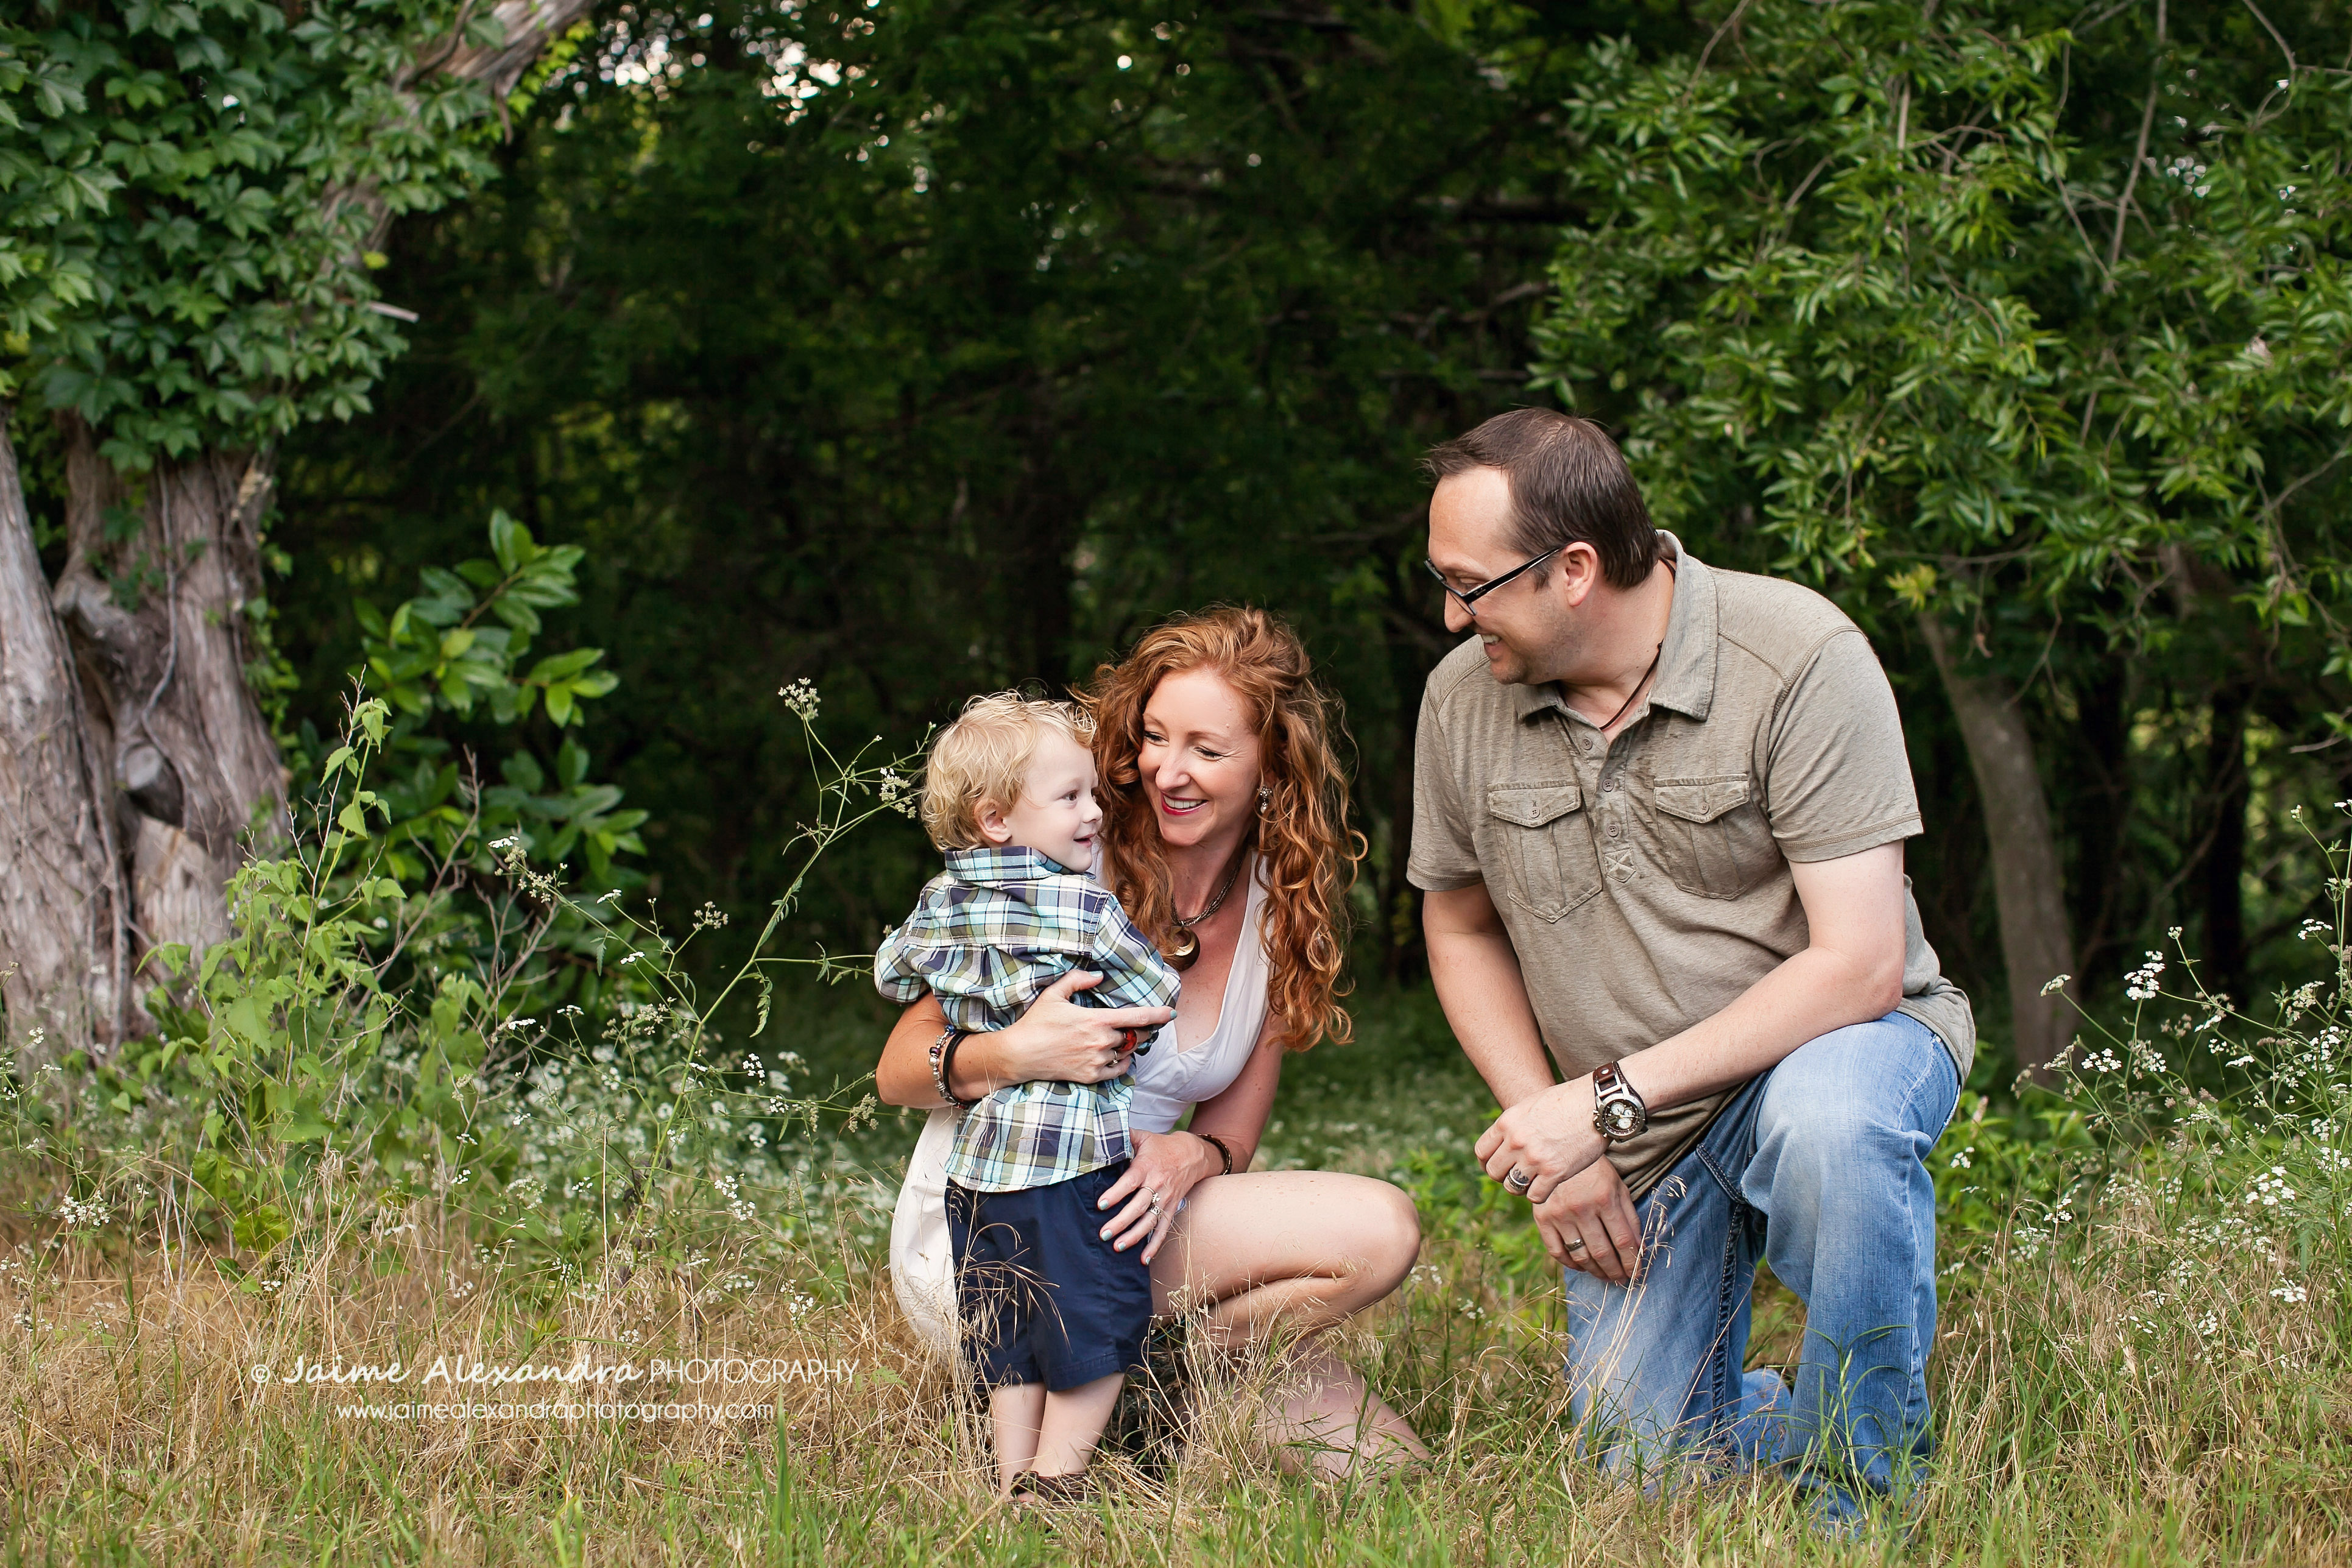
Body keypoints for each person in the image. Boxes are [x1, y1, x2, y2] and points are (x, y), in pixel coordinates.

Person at [1408, 409, 1974, 1527]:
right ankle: (1785, 1403)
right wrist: (1556, 1134)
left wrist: (1605, 1098)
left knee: (1832, 1127)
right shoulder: (1460, 699)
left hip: (1836, 1049)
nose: (1448, 612)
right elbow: (1459, 928)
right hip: (1634, 1135)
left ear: (1572, 570)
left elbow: (1857, 964)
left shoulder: (1799, 656)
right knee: (1638, 1481)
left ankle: (1857, 1497)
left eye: (1470, 584)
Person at [879, 608, 1429, 1478]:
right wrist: (1017, 1053)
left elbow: (1232, 1135)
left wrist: (1190, 1155)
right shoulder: (1066, 859)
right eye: (1154, 738)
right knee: (1378, 1223)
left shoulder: (1278, 906)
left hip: (1135, 1220)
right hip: (1003, 1226)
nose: (1167, 771)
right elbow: (898, 1071)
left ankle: (1156, 1373)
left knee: (1388, 1471)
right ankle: (1089, 1382)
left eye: (1206, 750)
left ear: (1274, 768)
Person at [874, 693, 1181, 1500]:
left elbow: (891, 971)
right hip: (1068, 1161)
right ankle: (1058, 1475)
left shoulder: (943, 902)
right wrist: (1120, 1038)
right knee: (1096, 1315)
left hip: (977, 1171)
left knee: (1004, 1330)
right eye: (1071, 796)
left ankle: (1008, 1478)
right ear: (997, 817)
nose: (1093, 813)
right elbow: (1155, 990)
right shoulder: (1083, 904)